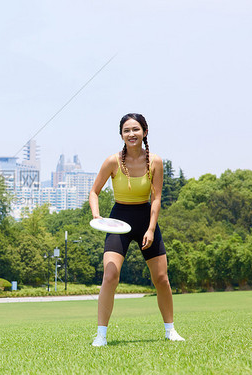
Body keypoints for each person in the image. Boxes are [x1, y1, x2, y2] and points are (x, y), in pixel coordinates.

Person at [88, 113, 185, 347]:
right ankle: (101, 335)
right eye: (126, 130)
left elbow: (156, 198)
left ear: (145, 132)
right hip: (118, 219)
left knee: (161, 278)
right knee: (110, 275)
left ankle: (170, 330)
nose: (131, 134)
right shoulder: (112, 161)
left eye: (136, 129)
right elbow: (94, 192)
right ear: (121, 135)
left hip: (145, 218)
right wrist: (97, 216)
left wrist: (151, 229)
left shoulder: (155, 162)